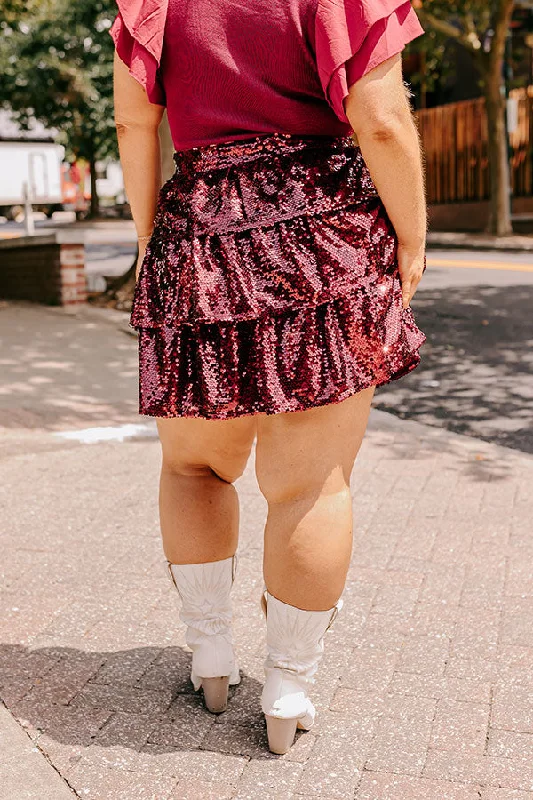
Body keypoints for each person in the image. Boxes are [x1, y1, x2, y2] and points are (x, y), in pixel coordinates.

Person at [112, 0, 426, 755]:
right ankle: (286, 687)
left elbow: (131, 125)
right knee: (310, 484)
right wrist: (410, 241)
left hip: (200, 231)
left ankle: (210, 656)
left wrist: (157, 237)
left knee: (194, 466)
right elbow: (380, 120)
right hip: (322, 236)